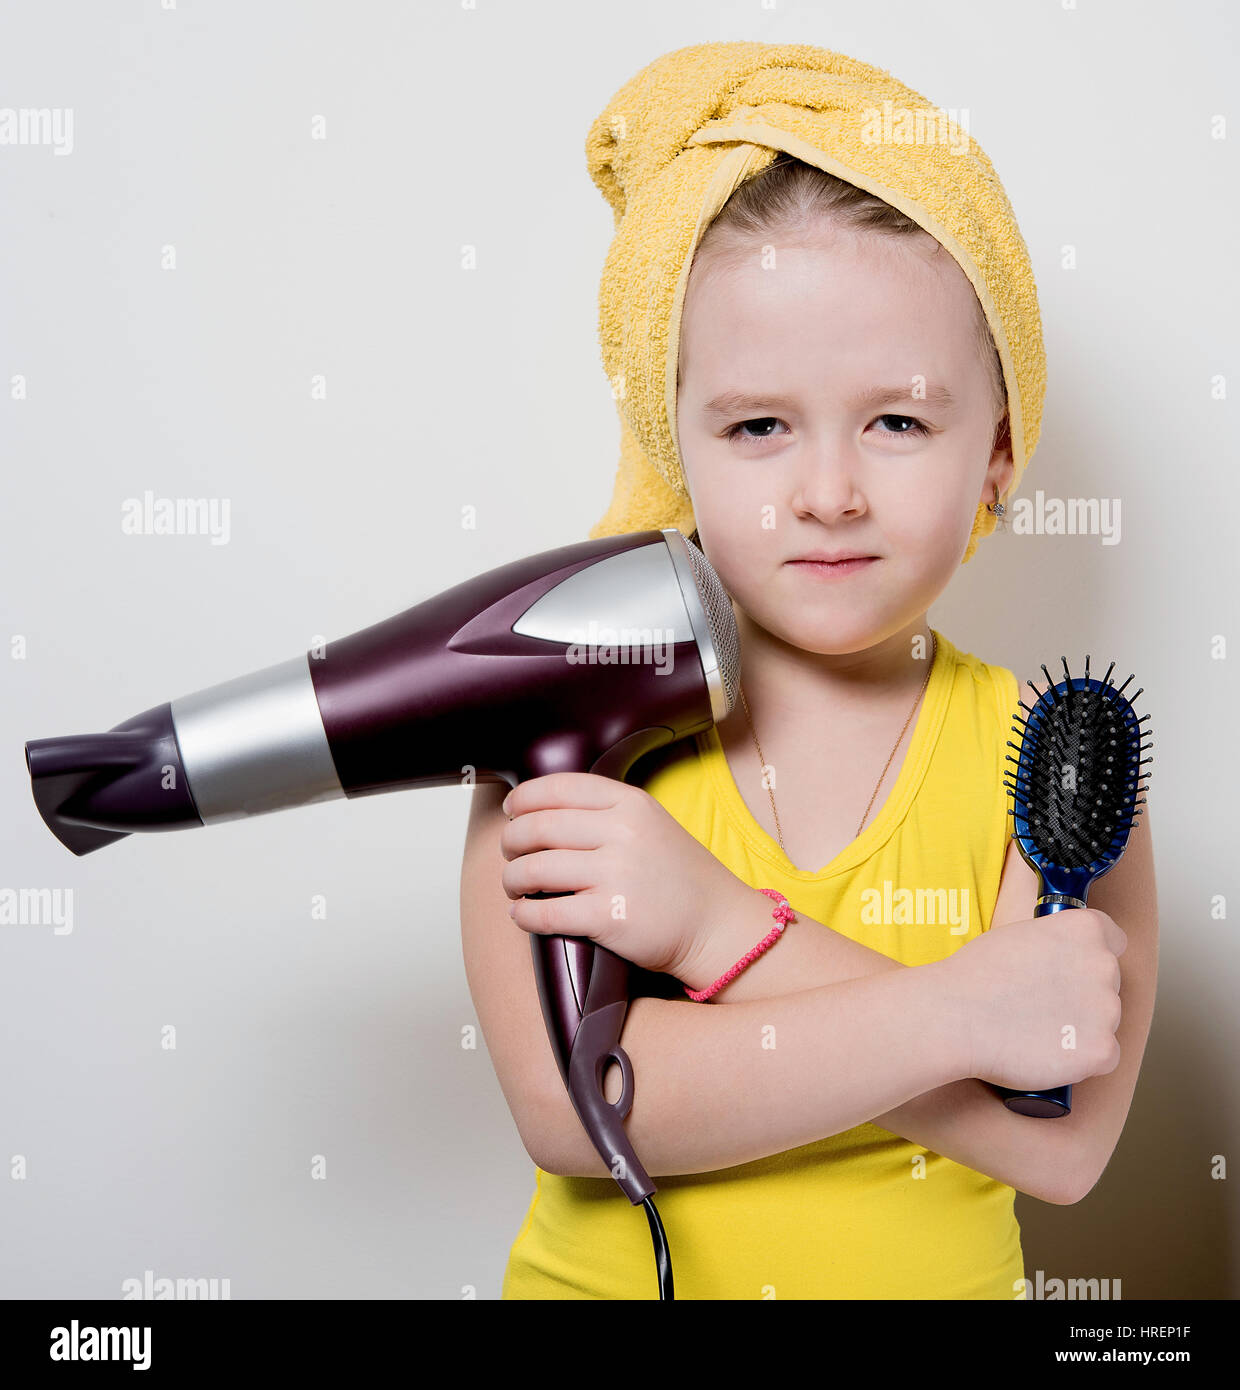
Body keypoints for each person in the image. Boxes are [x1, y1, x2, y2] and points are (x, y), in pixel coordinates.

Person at [459, 41, 1156, 1300]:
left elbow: (1057, 1142)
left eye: (896, 420)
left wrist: (716, 930)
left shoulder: (1055, 759)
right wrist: (962, 1015)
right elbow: (581, 1110)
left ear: (995, 453)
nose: (828, 494)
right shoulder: (574, 724)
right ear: (675, 443)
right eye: (758, 426)